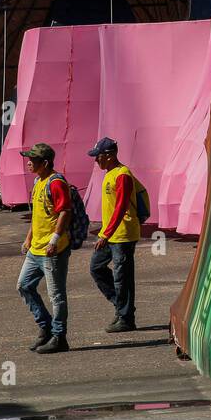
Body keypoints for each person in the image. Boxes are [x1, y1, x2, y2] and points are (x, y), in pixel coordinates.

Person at [16, 142, 71, 354]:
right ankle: (45, 326)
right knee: (24, 285)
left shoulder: (56, 182)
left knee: (56, 296)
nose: (28, 163)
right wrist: (29, 237)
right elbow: (39, 215)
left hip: (52, 250)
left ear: (45, 163)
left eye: (33, 160)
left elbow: (65, 211)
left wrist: (54, 240)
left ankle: (59, 337)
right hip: (36, 249)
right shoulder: (39, 181)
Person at [87, 137, 142, 332]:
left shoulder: (122, 175)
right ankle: (121, 306)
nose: (96, 161)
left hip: (123, 234)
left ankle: (126, 318)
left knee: (122, 276)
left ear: (109, 156)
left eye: (98, 157)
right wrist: (105, 233)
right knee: (96, 268)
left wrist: (105, 234)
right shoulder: (109, 173)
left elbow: (120, 207)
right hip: (110, 233)